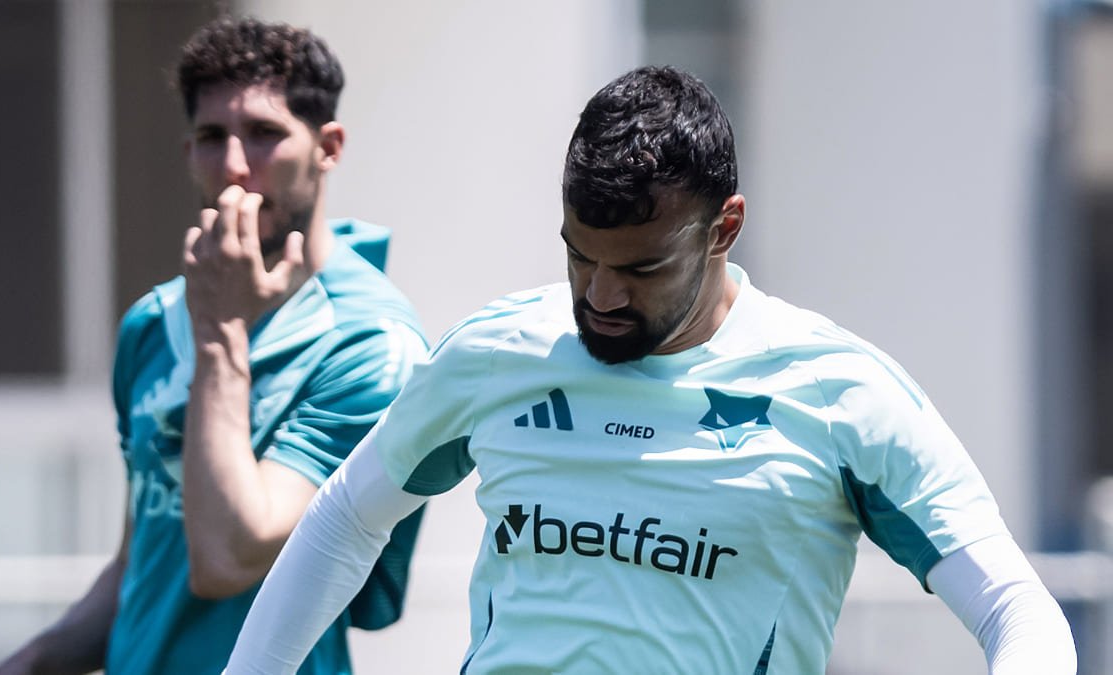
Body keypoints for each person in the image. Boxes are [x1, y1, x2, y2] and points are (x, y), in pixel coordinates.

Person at [223, 67, 1077, 674]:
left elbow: (1019, 611)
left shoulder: (839, 393)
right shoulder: (497, 351)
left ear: (724, 227)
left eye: (638, 269)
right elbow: (343, 519)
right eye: (578, 256)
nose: (598, 294)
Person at [0, 16, 427, 675]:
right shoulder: (152, 324)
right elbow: (142, 568)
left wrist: (220, 331)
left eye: (265, 133)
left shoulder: (372, 344)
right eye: (213, 137)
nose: (236, 166)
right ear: (188, 152)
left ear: (329, 146)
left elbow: (228, 558)